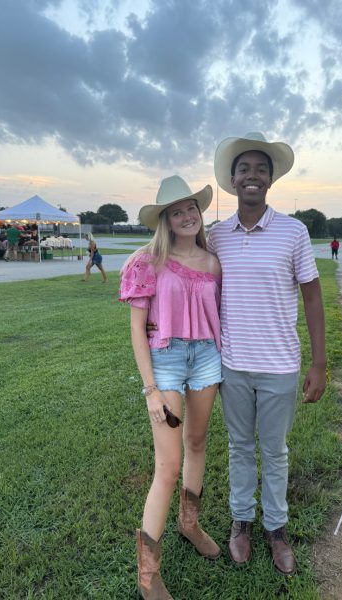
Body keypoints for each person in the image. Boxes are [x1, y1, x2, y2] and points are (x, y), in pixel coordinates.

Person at [209, 132, 326, 575]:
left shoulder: (294, 232)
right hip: (232, 365)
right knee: (240, 447)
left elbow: (313, 298)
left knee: (274, 452)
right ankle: (242, 522)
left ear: (270, 179)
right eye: (244, 169)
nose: (252, 176)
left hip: (280, 368)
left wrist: (319, 362)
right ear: (233, 180)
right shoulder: (217, 235)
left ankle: (276, 529)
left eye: (261, 168)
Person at [119, 176, 222, 600]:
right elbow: (137, 331)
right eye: (176, 211)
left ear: (199, 214)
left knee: (197, 441)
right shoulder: (148, 261)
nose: (186, 216)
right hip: (165, 358)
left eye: (191, 208)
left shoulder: (213, 261)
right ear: (164, 219)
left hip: (207, 358)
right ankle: (148, 575)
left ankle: (190, 523)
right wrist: (150, 390)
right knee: (167, 464)